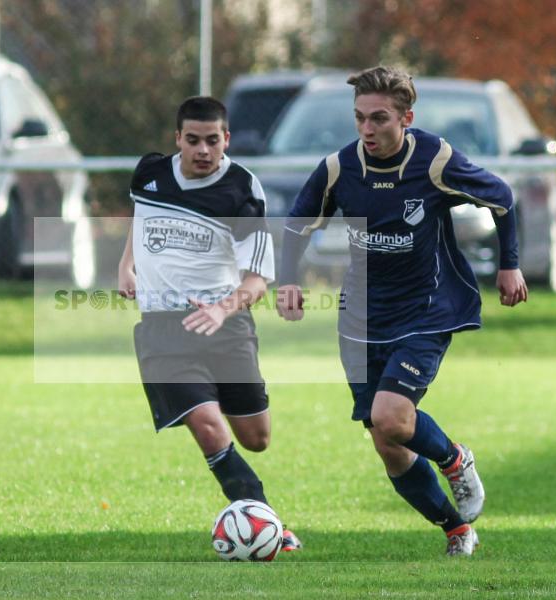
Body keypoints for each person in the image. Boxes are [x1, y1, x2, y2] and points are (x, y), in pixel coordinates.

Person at [276, 66, 527, 556]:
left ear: (406, 118)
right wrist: (288, 280)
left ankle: (455, 460)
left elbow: (501, 198)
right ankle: (457, 530)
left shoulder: (434, 159)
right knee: (387, 443)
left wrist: (509, 265)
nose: (366, 129)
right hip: (361, 318)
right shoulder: (339, 167)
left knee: (391, 416)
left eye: (379, 118)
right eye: (359, 118)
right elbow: (297, 224)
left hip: (425, 311)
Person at [118, 96, 301, 552]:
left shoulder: (242, 188)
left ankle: (259, 517)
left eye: (212, 141)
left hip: (226, 326)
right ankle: (267, 523)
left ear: (227, 140)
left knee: (256, 438)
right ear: (177, 139)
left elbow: (257, 280)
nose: (203, 150)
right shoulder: (150, 173)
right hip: (163, 329)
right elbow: (141, 215)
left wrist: (221, 308)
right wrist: (126, 265)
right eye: (193, 140)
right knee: (207, 425)